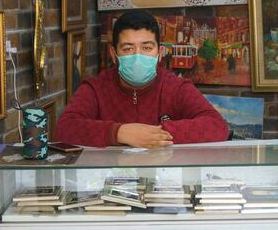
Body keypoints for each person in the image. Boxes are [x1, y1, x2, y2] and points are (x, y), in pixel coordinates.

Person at [55, 10, 229, 148]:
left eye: (146, 47)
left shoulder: (176, 87)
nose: (138, 56)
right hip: (110, 179)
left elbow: (217, 126)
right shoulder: (95, 88)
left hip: (164, 179)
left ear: (159, 53)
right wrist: (119, 133)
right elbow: (64, 129)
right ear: (114, 54)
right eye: (128, 49)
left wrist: (155, 135)